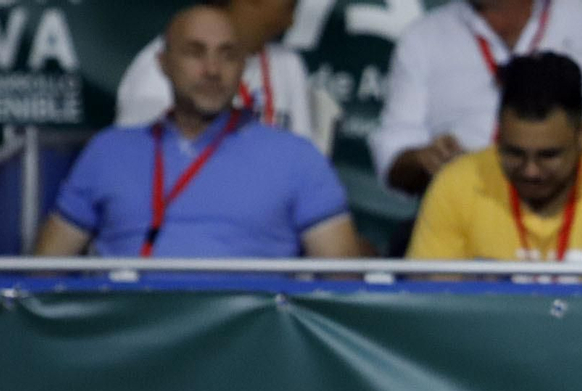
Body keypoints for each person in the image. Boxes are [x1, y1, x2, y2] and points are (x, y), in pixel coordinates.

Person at [35, 5, 360, 259]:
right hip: (129, 324)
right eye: (195, 52)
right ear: (162, 63)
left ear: (243, 67)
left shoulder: (297, 158)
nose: (212, 70)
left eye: (227, 55)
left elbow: (344, 289)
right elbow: (39, 279)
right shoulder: (108, 153)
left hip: (251, 328)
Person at [406, 52, 582, 263]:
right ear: (498, 133)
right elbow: (429, 307)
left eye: (548, 155)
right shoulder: (457, 184)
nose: (531, 171)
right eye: (514, 153)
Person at [371, 0, 582, 197]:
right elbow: (393, 153)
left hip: (577, 210)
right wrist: (423, 158)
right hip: (464, 209)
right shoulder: (423, 37)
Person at [114, 0, 314, 144]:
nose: (290, 22)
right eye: (289, 7)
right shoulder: (161, 71)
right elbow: (137, 168)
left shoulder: (288, 64)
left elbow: (305, 161)